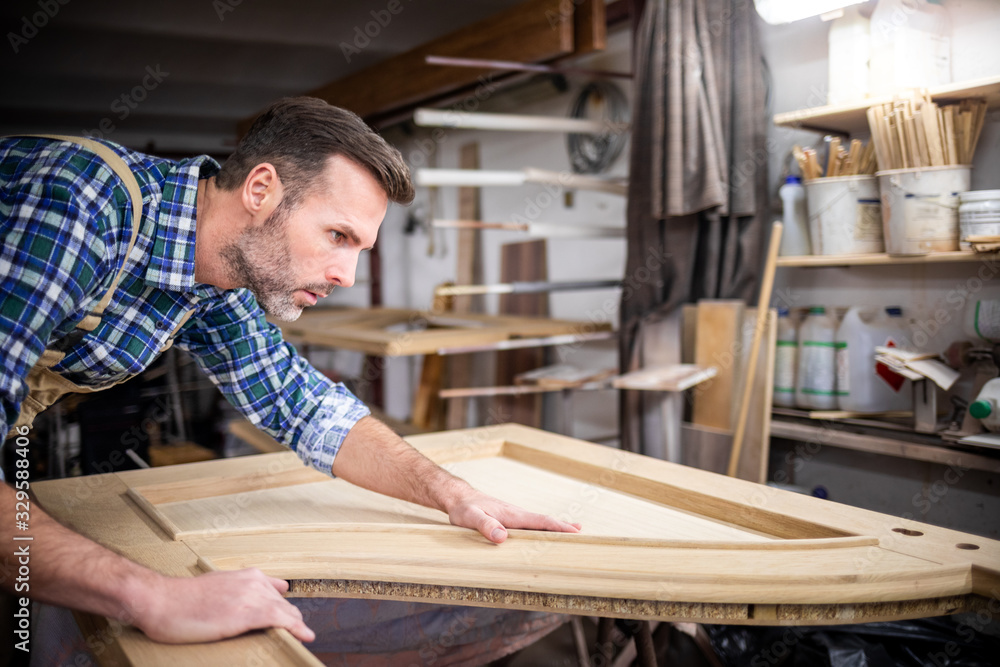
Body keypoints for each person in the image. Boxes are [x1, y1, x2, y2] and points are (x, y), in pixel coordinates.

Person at [0, 97, 579, 653]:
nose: (347, 275)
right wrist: (152, 597)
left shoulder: (214, 277)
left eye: (360, 249)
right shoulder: (82, 204)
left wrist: (453, 494)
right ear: (260, 189)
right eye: (337, 236)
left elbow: (303, 407)